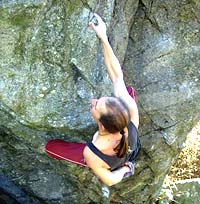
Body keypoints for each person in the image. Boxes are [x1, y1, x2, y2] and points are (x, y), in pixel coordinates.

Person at [83, 13, 141, 186]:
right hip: (131, 148)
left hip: (116, 160)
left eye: (96, 106)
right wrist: (103, 37)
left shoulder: (92, 153)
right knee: (124, 88)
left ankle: (126, 163)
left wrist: (125, 169)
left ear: (101, 124)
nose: (93, 100)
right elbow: (117, 76)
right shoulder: (131, 113)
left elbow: (109, 180)